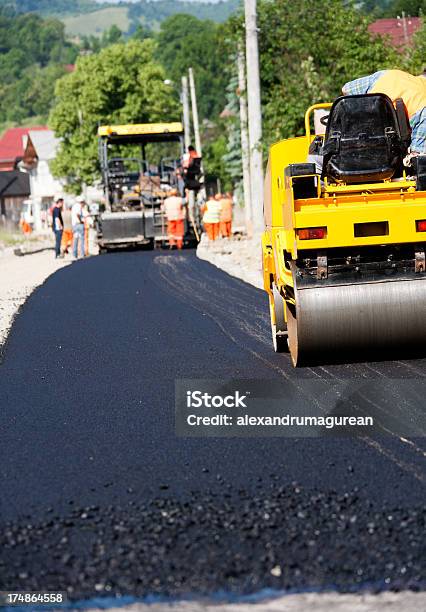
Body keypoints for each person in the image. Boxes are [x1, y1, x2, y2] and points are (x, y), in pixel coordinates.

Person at [342, 69, 426, 155]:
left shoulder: (389, 74)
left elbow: (346, 89)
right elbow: (417, 155)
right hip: (386, 156)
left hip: (348, 145)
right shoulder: (423, 102)